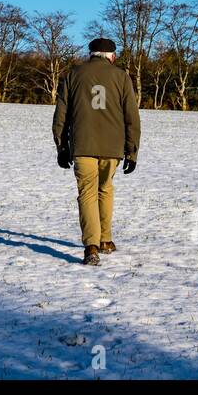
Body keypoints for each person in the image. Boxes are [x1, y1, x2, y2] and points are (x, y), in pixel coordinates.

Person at [52, 38, 141, 265]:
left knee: (87, 193)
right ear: (111, 56)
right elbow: (132, 117)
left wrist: (62, 146)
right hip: (112, 147)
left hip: (82, 145)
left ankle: (91, 246)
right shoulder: (121, 76)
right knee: (105, 189)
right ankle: (105, 240)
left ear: (91, 53)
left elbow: (61, 115)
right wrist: (131, 151)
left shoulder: (73, 75)